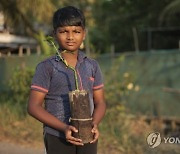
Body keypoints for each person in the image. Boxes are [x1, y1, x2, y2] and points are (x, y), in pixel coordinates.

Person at [27, 6, 106, 154]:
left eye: (76, 31)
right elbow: (33, 106)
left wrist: (93, 124)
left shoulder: (92, 66)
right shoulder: (47, 67)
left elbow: (100, 102)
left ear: (84, 34)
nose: (70, 37)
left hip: (88, 134)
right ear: (54, 34)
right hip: (57, 135)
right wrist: (64, 128)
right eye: (63, 31)